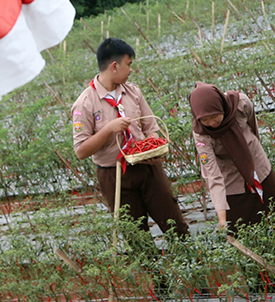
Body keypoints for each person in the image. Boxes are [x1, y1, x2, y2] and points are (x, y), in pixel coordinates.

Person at [71, 38, 189, 238]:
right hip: (114, 175)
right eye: (129, 64)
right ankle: (151, 269)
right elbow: (81, 151)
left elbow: (152, 128)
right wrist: (108, 129)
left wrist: (151, 146)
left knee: (174, 223)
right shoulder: (84, 103)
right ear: (114, 66)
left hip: (147, 166)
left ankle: (188, 261)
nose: (131, 69)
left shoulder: (133, 92)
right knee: (136, 235)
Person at [189, 82, 275, 232]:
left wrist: (252, 151)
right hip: (231, 178)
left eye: (214, 116)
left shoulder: (240, 103)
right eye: (205, 119)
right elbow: (212, 175)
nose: (211, 123)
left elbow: (253, 127)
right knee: (243, 228)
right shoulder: (201, 133)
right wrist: (222, 217)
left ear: (221, 106)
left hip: (256, 165)